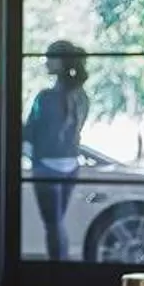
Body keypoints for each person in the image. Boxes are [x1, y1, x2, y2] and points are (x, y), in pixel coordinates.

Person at [24, 40, 90, 261]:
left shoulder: (45, 98)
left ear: (62, 62)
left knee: (52, 225)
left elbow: (31, 132)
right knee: (57, 223)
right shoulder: (82, 97)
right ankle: (60, 267)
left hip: (46, 167)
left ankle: (56, 269)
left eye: (50, 57)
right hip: (71, 166)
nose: (46, 62)